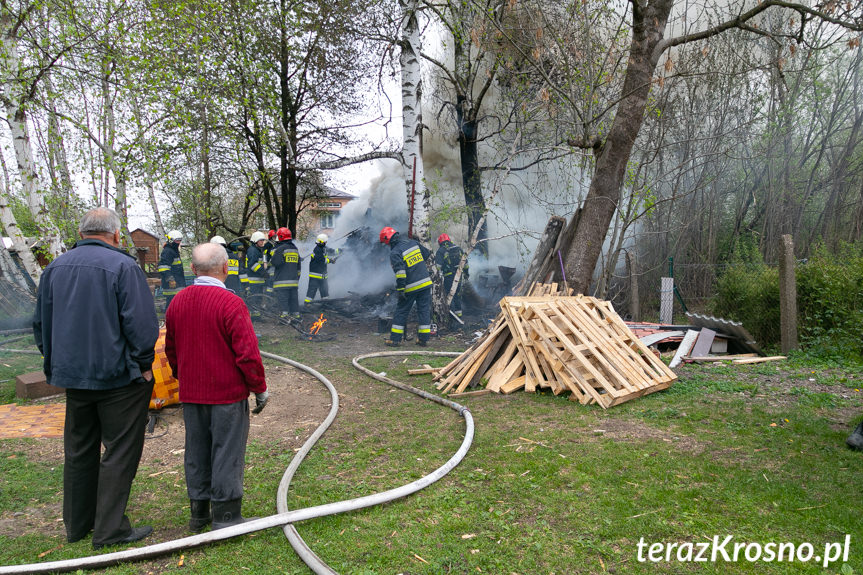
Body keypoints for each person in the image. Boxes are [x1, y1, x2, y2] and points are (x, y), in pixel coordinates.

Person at [33, 207, 159, 549]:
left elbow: (40, 325)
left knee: (78, 450)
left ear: (81, 231)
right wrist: (144, 363)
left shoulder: (54, 268)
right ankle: (110, 530)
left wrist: (56, 362)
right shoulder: (123, 267)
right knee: (119, 451)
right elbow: (142, 325)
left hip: (74, 377)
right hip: (118, 378)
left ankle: (78, 525)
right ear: (116, 235)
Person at [164, 242, 269, 532]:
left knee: (196, 450)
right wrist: (259, 388)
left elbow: (170, 348)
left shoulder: (177, 302)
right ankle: (226, 516)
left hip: (192, 395)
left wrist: (185, 378)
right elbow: (248, 354)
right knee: (226, 451)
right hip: (226, 395)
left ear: (193, 269)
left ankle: (199, 514)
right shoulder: (231, 303)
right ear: (225, 268)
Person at [379, 227, 433, 347]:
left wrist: (400, 289)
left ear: (388, 240)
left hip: (411, 287)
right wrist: (417, 266)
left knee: (401, 312)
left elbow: (400, 273)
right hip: (425, 283)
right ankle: (423, 339)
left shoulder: (395, 252)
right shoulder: (412, 242)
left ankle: (395, 340)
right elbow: (426, 253)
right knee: (423, 311)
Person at [271, 227, 302, 322]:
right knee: (293, 300)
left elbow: (275, 263)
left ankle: (284, 319)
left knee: (283, 301)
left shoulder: (280, 249)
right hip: (294, 281)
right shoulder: (295, 249)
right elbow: (298, 266)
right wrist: (297, 278)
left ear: (280, 237)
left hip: (282, 281)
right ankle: (296, 317)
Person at [435, 233, 468, 318]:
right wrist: (466, 274)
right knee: (456, 294)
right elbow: (466, 263)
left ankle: (450, 316)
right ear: (449, 240)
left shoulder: (441, 251)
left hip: (448, 276)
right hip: (458, 275)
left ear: (440, 242)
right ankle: (459, 314)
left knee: (449, 295)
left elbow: (437, 267)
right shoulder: (458, 248)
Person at [158, 230, 186, 309]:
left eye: (180, 240)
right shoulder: (168, 252)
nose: (178, 242)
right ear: (171, 240)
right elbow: (163, 267)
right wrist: (170, 279)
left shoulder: (174, 250)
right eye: (177, 240)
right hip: (172, 286)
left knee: (177, 306)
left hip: (178, 284)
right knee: (172, 306)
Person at [304, 233, 334, 304]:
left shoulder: (324, 248)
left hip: (322, 276)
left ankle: (325, 304)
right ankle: (307, 304)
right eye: (325, 242)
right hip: (315, 275)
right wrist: (331, 261)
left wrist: (342, 250)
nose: (326, 243)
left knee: (324, 291)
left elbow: (332, 251)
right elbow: (322, 261)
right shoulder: (317, 250)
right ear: (321, 242)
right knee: (312, 291)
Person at [245, 231, 269, 317]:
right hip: (253, 280)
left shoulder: (258, 250)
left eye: (263, 240)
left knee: (258, 298)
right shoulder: (252, 250)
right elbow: (252, 264)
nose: (262, 242)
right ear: (255, 241)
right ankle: (253, 316)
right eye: (260, 240)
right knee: (254, 298)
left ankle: (257, 315)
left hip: (258, 280)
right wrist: (262, 272)